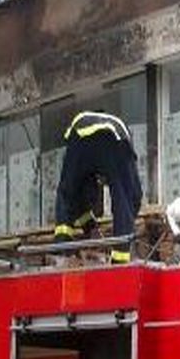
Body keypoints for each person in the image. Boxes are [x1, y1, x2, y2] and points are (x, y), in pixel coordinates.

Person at [52, 110, 143, 264]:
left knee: (67, 191)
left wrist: (90, 227)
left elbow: (75, 197)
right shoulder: (125, 150)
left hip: (78, 133)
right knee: (123, 194)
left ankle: (62, 245)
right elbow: (133, 197)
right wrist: (127, 225)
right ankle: (120, 257)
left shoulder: (89, 175)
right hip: (112, 137)